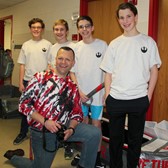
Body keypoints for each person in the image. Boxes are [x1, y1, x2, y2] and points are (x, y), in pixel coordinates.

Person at [4, 46, 101, 168]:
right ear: (55, 60)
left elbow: (77, 113)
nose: (63, 62)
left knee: (94, 133)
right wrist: (45, 121)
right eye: (60, 58)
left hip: (63, 127)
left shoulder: (72, 86)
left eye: (67, 59)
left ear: (73, 63)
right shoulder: (40, 77)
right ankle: (13, 156)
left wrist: (71, 129)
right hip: (41, 131)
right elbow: (23, 104)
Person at [100, 2, 162, 168]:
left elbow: (154, 70)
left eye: (128, 16)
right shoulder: (114, 44)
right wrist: (107, 95)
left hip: (139, 99)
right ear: (118, 20)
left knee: (135, 141)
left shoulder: (148, 42)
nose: (125, 21)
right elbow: (108, 73)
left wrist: (147, 97)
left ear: (135, 17)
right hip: (116, 99)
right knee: (115, 141)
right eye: (121, 17)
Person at [70, 15, 107, 168]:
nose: (84, 29)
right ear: (78, 29)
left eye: (87, 26)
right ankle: (86, 156)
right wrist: (79, 91)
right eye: (81, 27)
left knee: (96, 126)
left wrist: (107, 92)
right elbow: (72, 72)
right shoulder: (76, 47)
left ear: (92, 28)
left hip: (97, 94)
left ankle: (96, 159)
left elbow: (108, 71)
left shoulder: (103, 45)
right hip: (81, 94)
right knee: (84, 125)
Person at [13, 18, 52, 145]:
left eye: (38, 27)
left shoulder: (48, 45)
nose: (36, 29)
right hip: (27, 82)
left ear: (42, 29)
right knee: (25, 110)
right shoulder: (26, 45)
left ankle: (40, 134)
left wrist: (47, 81)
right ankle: (22, 133)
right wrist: (20, 83)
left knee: (41, 110)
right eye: (33, 27)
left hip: (42, 83)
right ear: (30, 29)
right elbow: (22, 65)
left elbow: (50, 65)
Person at [49, 19, 76, 160]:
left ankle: (68, 145)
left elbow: (74, 70)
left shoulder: (73, 46)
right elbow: (49, 67)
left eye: (61, 29)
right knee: (56, 115)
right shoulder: (52, 47)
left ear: (67, 31)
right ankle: (55, 142)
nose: (59, 32)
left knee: (69, 115)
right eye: (56, 29)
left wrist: (74, 88)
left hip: (68, 88)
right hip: (54, 89)